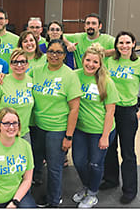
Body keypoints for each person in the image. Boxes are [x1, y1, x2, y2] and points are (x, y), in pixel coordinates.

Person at [100, 32, 140, 203]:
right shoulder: (110, 61)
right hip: (110, 109)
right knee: (109, 147)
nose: (124, 45)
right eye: (120, 42)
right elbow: (98, 54)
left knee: (128, 152)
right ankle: (111, 179)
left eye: (127, 42)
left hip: (128, 111)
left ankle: (130, 189)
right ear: (116, 45)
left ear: (134, 43)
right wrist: (110, 52)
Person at [27, 39, 80, 207]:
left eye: (58, 52)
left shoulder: (69, 75)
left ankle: (54, 200)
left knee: (54, 167)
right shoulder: (36, 71)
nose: (54, 55)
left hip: (57, 129)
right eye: (51, 51)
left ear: (64, 55)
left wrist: (68, 136)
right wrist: (2, 78)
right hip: (38, 127)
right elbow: (18, 79)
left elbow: (74, 109)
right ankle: (36, 189)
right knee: (36, 161)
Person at [70, 44, 117, 208]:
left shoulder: (106, 82)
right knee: (79, 161)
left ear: (100, 64)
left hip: (100, 130)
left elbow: (110, 112)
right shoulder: (74, 76)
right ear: (82, 60)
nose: (90, 64)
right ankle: (86, 186)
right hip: (80, 129)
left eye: (95, 62)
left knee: (95, 164)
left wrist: (105, 136)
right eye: (88, 60)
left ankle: (92, 194)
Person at [0, 48, 34, 140]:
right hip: (3, 134)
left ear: (27, 64)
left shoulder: (32, 81)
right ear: (10, 65)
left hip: (23, 133)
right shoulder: (1, 81)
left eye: (22, 62)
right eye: (15, 62)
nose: (19, 65)